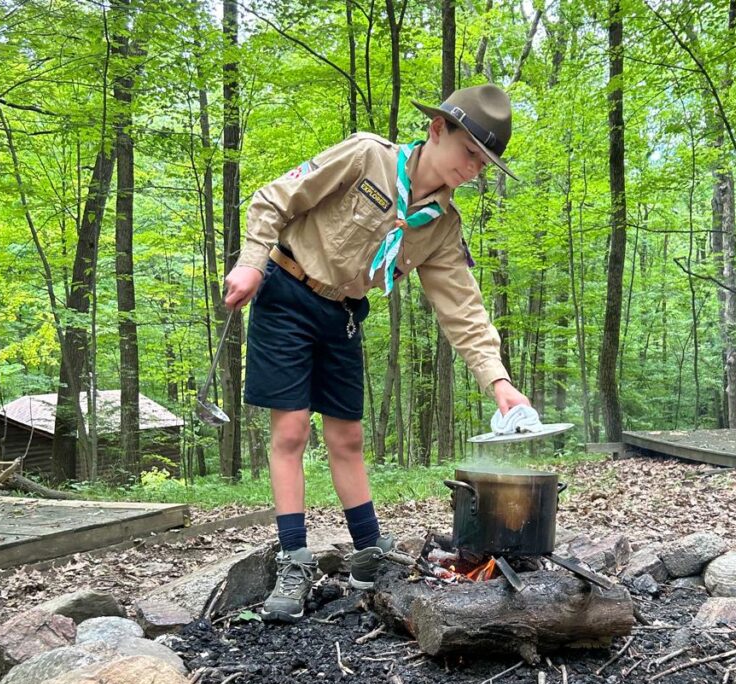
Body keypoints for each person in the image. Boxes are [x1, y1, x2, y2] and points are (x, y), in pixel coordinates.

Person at [223, 83, 531, 621]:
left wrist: (499, 383)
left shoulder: (441, 225)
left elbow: (463, 308)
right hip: (287, 290)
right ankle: (293, 557)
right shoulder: (367, 156)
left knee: (348, 435)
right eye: (469, 153)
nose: (474, 169)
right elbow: (275, 197)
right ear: (438, 128)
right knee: (292, 429)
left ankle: (368, 551)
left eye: (484, 163)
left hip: (343, 313)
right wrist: (250, 262)